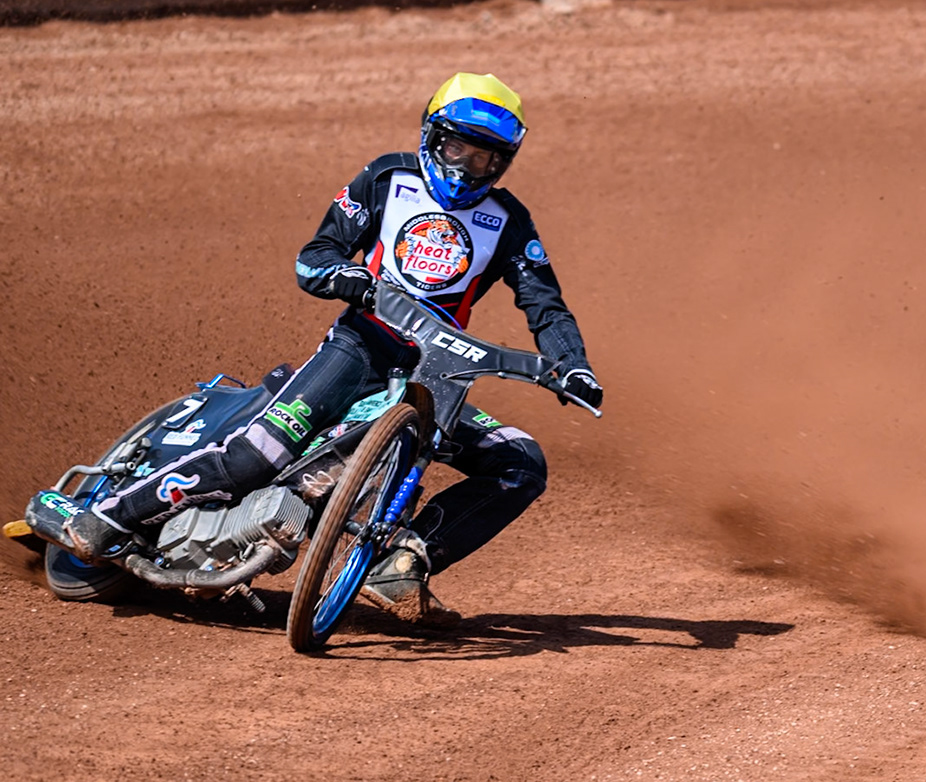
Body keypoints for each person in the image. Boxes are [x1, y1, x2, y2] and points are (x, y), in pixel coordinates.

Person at [61, 72, 603, 625]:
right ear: (430, 136)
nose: (466, 167)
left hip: (435, 371)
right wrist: (347, 278)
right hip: (359, 345)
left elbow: (545, 305)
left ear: (503, 163)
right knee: (259, 456)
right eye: (456, 147)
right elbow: (314, 256)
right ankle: (112, 516)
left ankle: (402, 561)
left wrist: (573, 366)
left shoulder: (510, 221)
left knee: (520, 463)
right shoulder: (387, 178)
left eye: (485, 159)